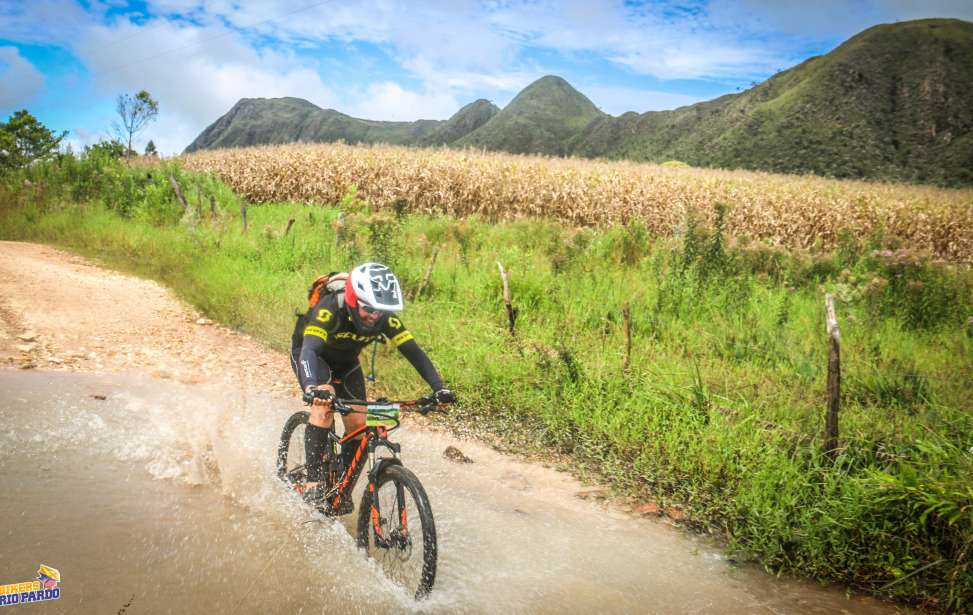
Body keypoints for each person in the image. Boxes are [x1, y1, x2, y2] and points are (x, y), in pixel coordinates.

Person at [290, 262, 454, 512]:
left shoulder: (383, 317)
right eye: (368, 309)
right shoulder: (330, 309)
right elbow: (310, 350)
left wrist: (438, 388)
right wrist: (313, 387)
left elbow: (414, 352)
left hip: (347, 364)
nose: (374, 316)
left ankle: (340, 491)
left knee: (359, 424)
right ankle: (313, 482)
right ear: (354, 299)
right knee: (324, 407)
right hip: (312, 357)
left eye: (380, 310)